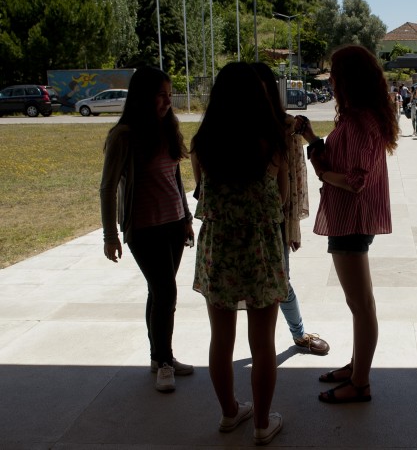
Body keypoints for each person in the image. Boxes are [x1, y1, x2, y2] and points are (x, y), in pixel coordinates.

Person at [191, 62, 288, 445]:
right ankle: (263, 424)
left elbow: (203, 192)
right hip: (260, 249)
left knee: (221, 338)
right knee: (263, 342)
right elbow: (279, 199)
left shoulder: (203, 144)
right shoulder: (272, 141)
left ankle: (229, 412)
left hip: (219, 250)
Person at [296, 44, 398, 404]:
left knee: (361, 304)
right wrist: (311, 139)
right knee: (359, 303)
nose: (332, 82)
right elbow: (343, 161)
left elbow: (356, 180)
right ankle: (357, 368)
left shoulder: (359, 123)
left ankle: (361, 383)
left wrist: (322, 170)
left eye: (335, 75)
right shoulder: (358, 118)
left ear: (346, 80)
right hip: (349, 219)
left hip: (351, 220)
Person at [100, 66, 195, 393]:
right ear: (143, 97)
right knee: (166, 292)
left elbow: (176, 177)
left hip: (173, 224)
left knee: (159, 292)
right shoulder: (124, 136)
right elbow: (107, 187)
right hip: (143, 228)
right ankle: (165, 362)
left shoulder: (168, 127)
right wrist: (110, 235)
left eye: (170, 95)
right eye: (161, 95)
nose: (167, 102)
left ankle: (159, 357)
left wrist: (186, 217)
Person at [251, 62, 331, 356]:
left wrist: (292, 226)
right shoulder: (228, 129)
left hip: (275, 220)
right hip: (239, 223)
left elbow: (296, 181)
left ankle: (298, 334)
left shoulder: (286, 128)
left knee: (280, 280)